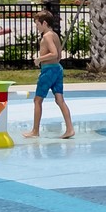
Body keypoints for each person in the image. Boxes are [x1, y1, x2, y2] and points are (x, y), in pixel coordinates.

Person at [22, 11, 74, 139]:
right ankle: (70, 129)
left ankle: (35, 130)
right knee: (60, 100)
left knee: (37, 100)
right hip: (57, 69)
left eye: (38, 24)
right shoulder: (55, 35)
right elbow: (59, 55)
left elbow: (54, 53)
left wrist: (39, 59)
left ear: (44, 23)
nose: (37, 27)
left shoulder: (47, 36)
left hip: (48, 71)